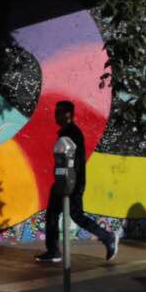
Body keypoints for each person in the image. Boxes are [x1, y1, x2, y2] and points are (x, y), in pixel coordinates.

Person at [38, 100, 118, 264]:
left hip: (71, 181)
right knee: (53, 214)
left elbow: (76, 161)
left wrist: (72, 183)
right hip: (64, 180)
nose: (56, 116)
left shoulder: (72, 133)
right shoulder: (67, 132)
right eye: (56, 112)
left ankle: (107, 237)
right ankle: (53, 251)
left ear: (68, 114)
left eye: (59, 112)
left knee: (76, 215)